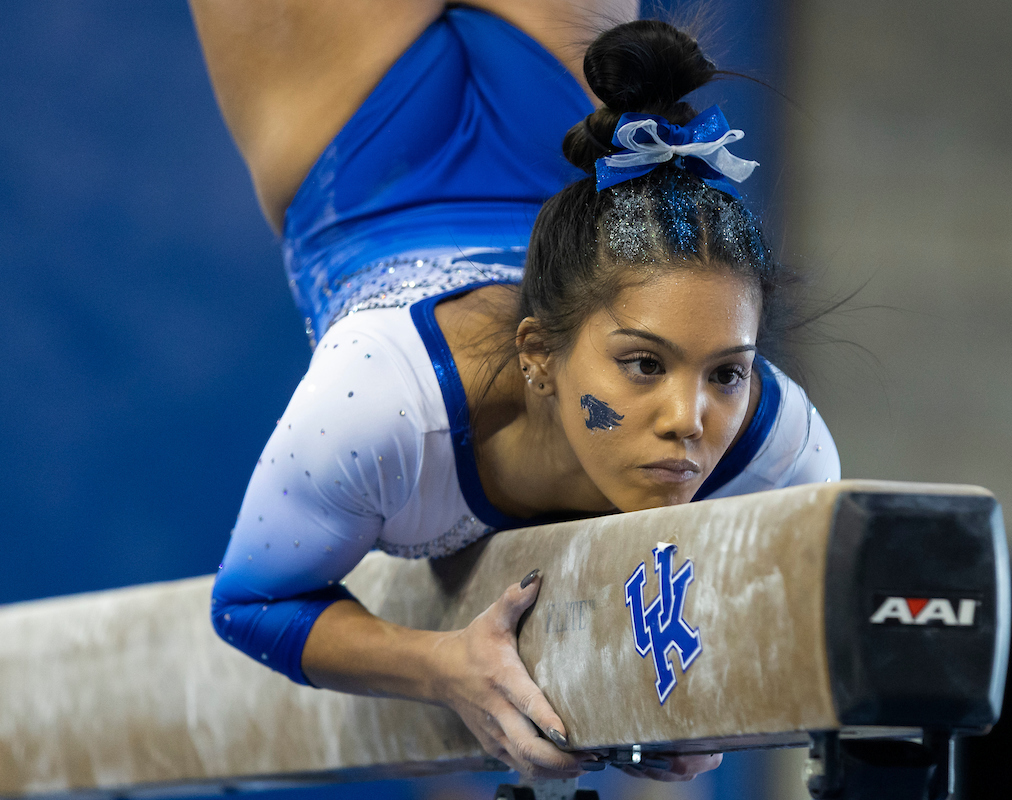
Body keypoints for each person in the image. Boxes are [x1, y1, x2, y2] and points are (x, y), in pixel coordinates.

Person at [190, 0, 840, 782]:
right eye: (644, 364)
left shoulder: (776, 452)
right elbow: (251, 602)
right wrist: (444, 669)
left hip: (349, 144)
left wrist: (723, 702)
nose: (687, 419)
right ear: (536, 356)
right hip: (551, 118)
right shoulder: (386, 403)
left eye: (728, 373)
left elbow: (795, 639)